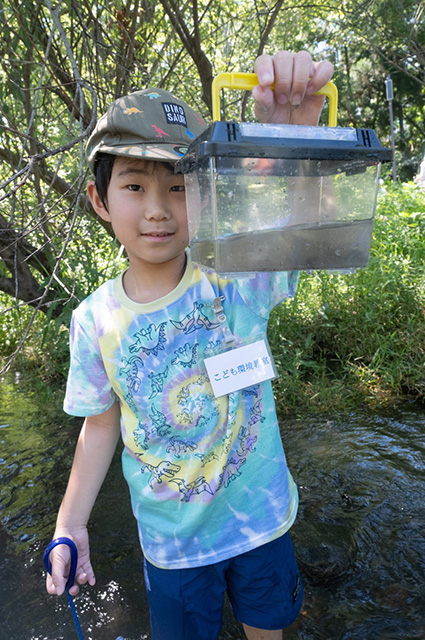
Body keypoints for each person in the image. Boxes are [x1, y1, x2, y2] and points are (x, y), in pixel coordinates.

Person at [45, 50, 334, 640]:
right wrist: (71, 523)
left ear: (206, 193)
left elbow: (306, 233)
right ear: (101, 200)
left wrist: (293, 136)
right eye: (133, 185)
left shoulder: (236, 274)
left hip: (261, 525)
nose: (158, 209)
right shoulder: (94, 319)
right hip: (172, 546)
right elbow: (101, 426)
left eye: (180, 186)